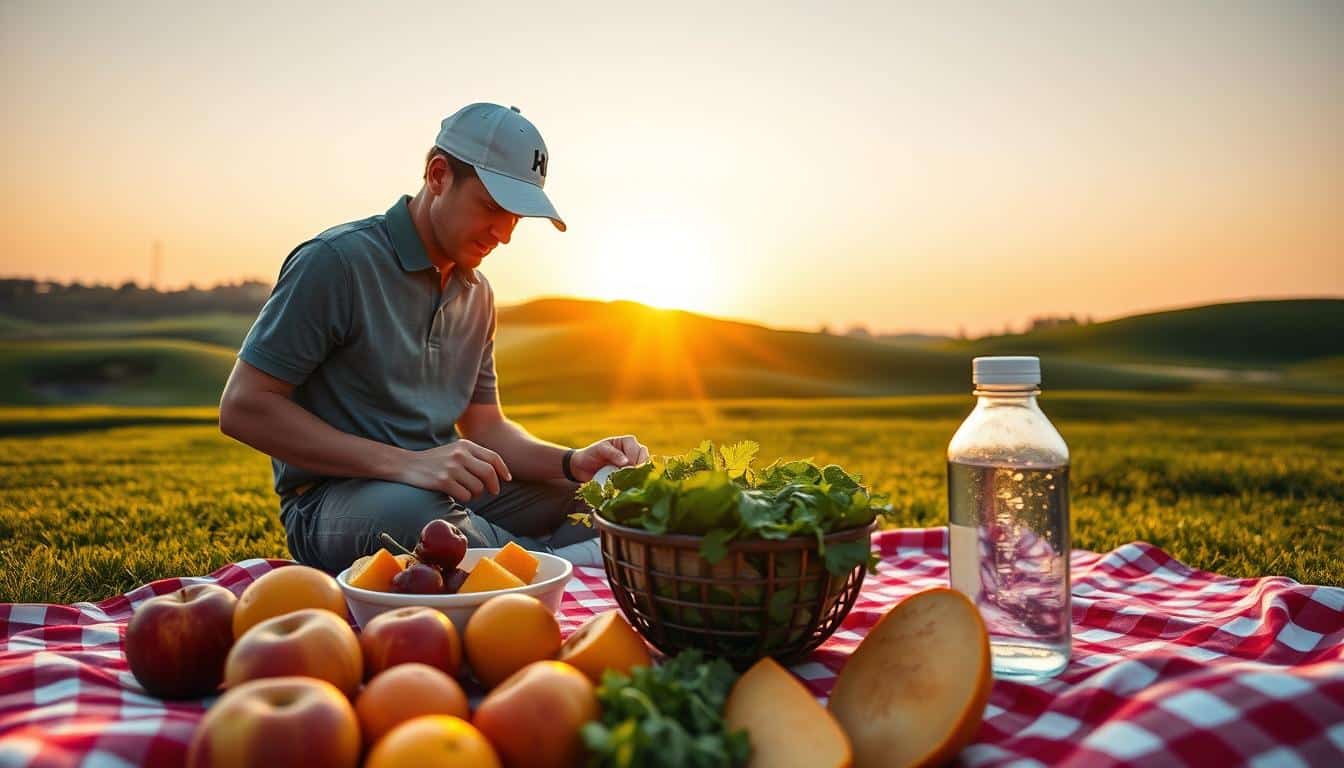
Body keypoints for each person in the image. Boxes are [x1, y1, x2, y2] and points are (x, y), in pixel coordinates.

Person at [218, 102, 648, 573]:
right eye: (491, 207)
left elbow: (486, 429)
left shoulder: (478, 293)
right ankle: (551, 563)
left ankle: (516, 562)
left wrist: (572, 463)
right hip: (338, 500)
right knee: (417, 520)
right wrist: (407, 464)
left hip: (448, 488)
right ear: (438, 175)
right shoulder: (336, 262)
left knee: (604, 497)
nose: (503, 235)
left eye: (516, 219)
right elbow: (243, 408)